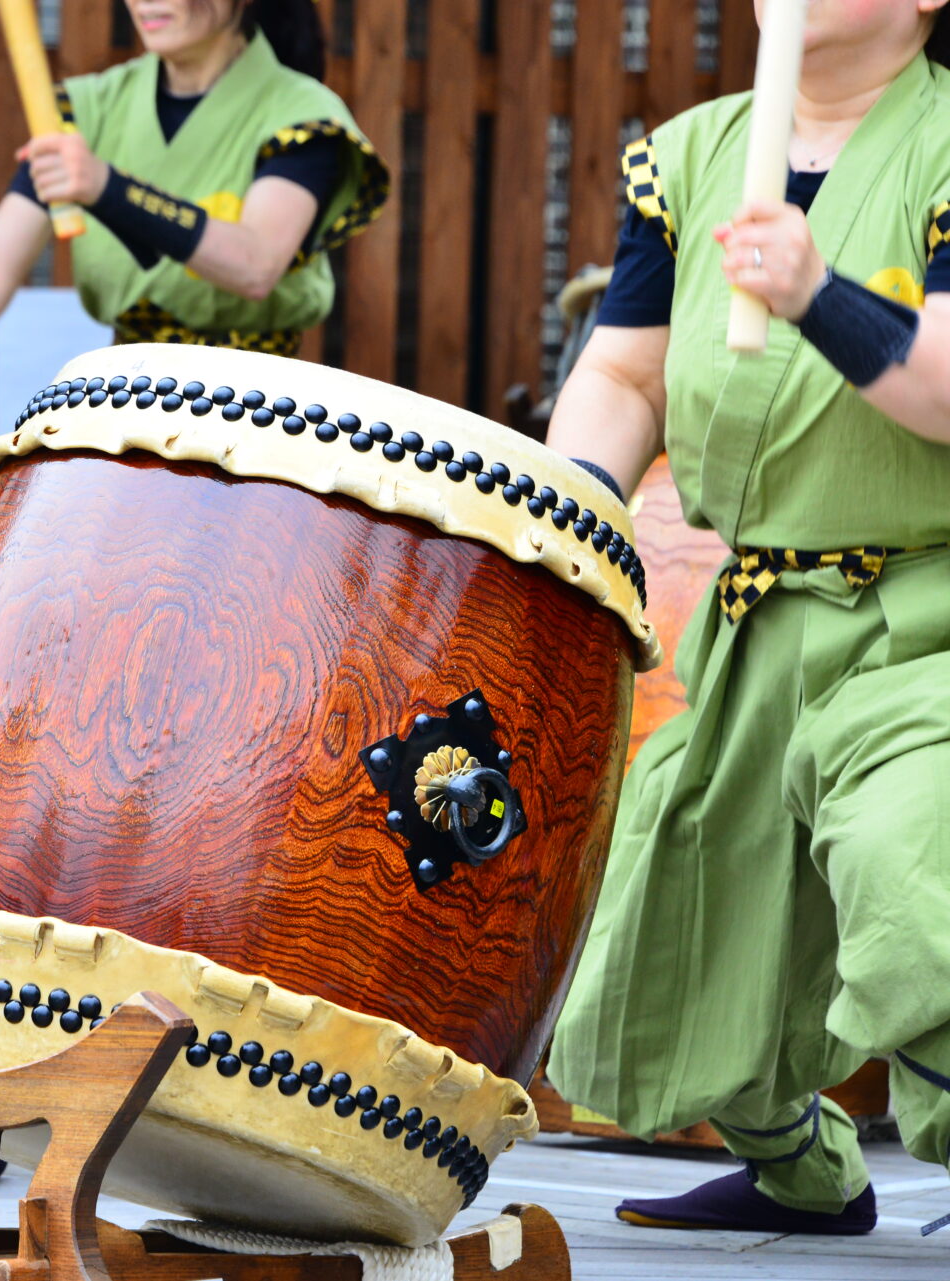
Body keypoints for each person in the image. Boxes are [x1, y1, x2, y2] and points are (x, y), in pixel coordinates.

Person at [545, 0, 950, 1237]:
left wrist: (819, 289)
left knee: (911, 881)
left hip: (923, 619)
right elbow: (625, 371)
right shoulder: (689, 155)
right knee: (681, 933)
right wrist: (558, 513)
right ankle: (804, 1171)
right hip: (758, 614)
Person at [0, 0, 387, 390]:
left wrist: (107, 188)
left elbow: (256, 264)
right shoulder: (90, 109)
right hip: (125, 409)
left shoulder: (302, 113)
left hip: (258, 414)